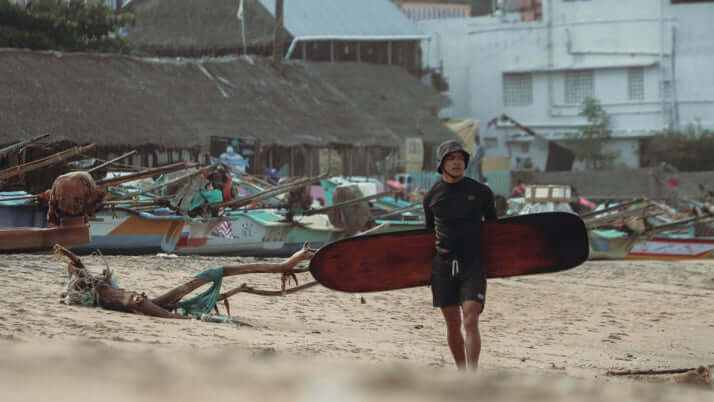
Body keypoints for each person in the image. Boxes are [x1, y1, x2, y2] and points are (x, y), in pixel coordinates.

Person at [423, 140, 497, 370]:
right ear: (442, 164)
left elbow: (496, 229)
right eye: (451, 158)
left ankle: (471, 376)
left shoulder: (481, 192)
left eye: (460, 158)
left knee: (471, 318)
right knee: (453, 323)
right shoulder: (432, 195)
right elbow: (426, 235)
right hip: (443, 266)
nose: (457, 163)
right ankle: (462, 372)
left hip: (472, 264)